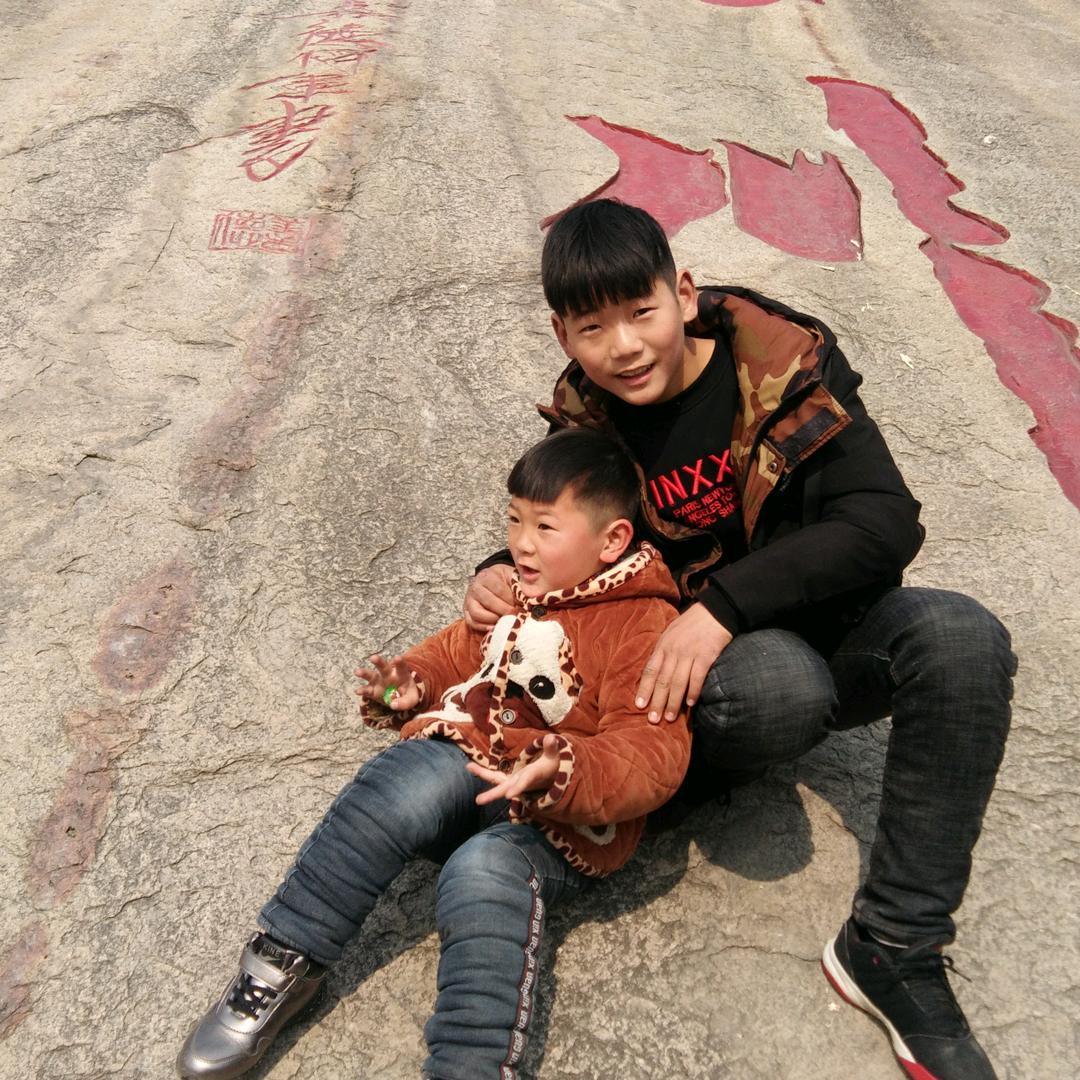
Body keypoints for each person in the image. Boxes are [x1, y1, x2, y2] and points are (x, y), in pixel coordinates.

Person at [464, 199, 1016, 1080]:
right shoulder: (587, 423)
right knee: (776, 688)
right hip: (736, 677)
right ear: (563, 335)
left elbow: (885, 521)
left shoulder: (787, 365)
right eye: (593, 327)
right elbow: (569, 532)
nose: (625, 346)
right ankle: (633, 793)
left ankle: (893, 946)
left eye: (641, 311)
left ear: (683, 293)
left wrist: (721, 604)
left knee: (962, 635)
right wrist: (502, 568)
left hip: (834, 631)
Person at [175, 426, 691, 1080]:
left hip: (556, 827)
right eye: (513, 520)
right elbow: (451, 655)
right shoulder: (516, 589)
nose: (521, 543)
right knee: (401, 781)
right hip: (467, 778)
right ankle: (281, 962)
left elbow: (652, 752)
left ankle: (469, 1067)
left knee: (481, 875)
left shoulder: (642, 622)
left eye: (545, 527)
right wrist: (408, 685)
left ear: (612, 540)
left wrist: (562, 770)